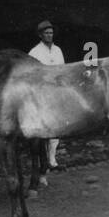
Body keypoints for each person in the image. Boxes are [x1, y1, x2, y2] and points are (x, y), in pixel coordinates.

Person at [28, 20, 65, 171]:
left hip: (55, 93)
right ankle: (43, 164)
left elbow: (62, 70)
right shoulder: (34, 52)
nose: (49, 36)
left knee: (56, 127)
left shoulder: (58, 50)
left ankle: (52, 160)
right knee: (43, 128)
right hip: (41, 94)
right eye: (46, 33)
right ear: (41, 35)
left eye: (51, 33)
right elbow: (31, 75)